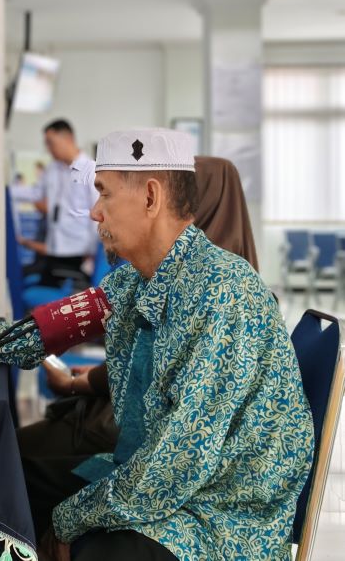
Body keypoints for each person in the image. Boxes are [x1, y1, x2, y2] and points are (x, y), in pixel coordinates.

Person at [0, 129, 313, 560]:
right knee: (5, 486)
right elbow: (37, 334)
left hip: (219, 514)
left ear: (151, 198)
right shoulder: (135, 279)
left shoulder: (223, 293)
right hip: (159, 485)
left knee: (94, 544)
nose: (95, 213)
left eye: (105, 194)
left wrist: (69, 521)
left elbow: (178, 464)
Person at [20, 155, 263, 464]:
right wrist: (97, 376)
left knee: (19, 458)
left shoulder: (215, 290)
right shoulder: (211, 275)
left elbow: (170, 391)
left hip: (153, 452)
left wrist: (79, 382)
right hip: (152, 435)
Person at [19, 119, 98, 287]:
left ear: (68, 138)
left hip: (78, 252)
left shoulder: (90, 170)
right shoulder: (52, 169)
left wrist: (92, 252)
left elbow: (97, 212)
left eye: (51, 143)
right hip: (54, 247)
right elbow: (35, 193)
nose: (48, 149)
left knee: (46, 296)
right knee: (28, 282)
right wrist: (6, 192)